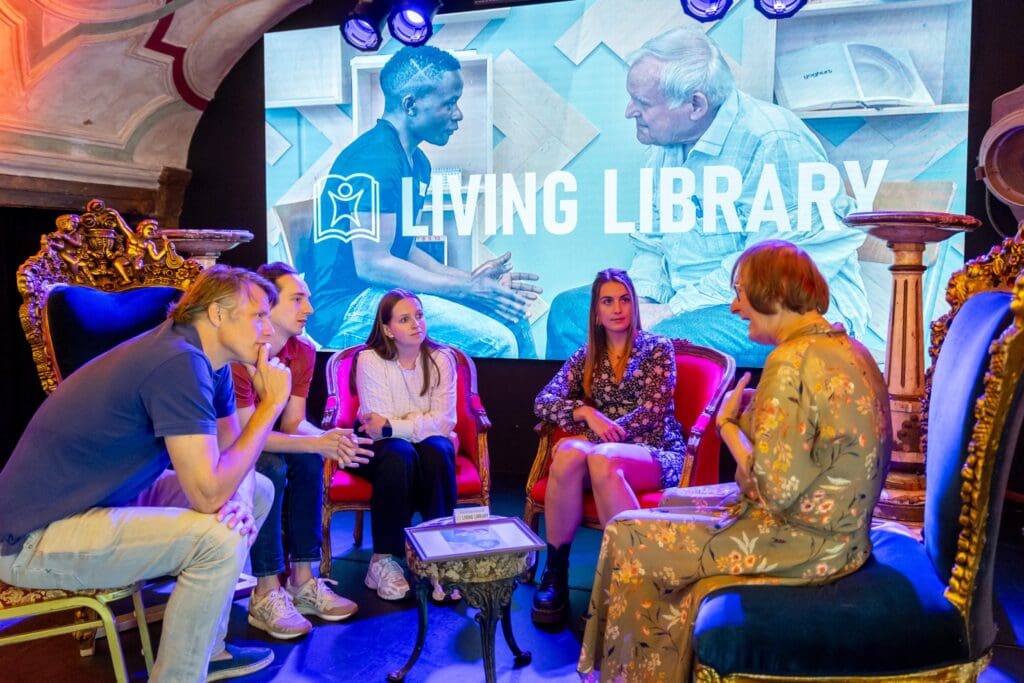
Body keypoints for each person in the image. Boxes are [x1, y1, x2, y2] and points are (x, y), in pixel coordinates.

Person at [578, 241, 892, 682]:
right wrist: (756, 414)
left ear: (771, 293)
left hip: (808, 544)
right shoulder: (847, 347)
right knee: (671, 502)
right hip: (842, 535)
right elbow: (810, 449)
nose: (734, 307)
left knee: (626, 533)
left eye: (741, 293)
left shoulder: (790, 360)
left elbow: (774, 490)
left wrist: (726, 426)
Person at [0, 265, 293, 682]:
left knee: (257, 490)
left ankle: (208, 652)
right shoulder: (178, 361)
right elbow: (208, 494)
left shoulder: (212, 362)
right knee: (218, 539)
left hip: (104, 500)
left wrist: (240, 505)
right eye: (258, 315)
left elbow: (233, 457)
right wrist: (270, 407)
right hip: (33, 536)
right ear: (216, 313)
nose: (268, 329)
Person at [546, 26, 868, 368]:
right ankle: (586, 404)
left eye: (643, 103)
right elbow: (653, 245)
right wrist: (642, 301)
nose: (629, 111)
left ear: (696, 105)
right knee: (571, 313)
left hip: (779, 308)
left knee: (664, 341)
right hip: (692, 299)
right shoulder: (665, 145)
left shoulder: (775, 141)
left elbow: (767, 272)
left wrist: (670, 311)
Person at [306, 44, 541, 358]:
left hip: (384, 294)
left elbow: (403, 249)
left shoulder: (417, 163)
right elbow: (372, 265)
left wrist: (474, 282)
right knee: (496, 342)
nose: (458, 114)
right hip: (346, 308)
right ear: (410, 104)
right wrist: (466, 290)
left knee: (512, 318)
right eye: (449, 103)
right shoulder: (375, 160)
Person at [532, 268, 685, 626]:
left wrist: (596, 435)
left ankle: (632, 581)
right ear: (597, 312)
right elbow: (542, 401)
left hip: (655, 450)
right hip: (604, 452)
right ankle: (556, 572)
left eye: (624, 300)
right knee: (569, 453)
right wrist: (585, 412)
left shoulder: (657, 348)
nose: (617, 308)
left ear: (634, 305)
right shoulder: (587, 355)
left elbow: (651, 415)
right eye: (608, 301)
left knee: (597, 456)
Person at [232, 262, 373, 639]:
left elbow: (294, 423)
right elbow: (248, 437)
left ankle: (302, 581)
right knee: (272, 467)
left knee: (308, 458)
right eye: (297, 299)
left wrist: (330, 439)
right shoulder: (239, 355)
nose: (309, 309)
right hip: (226, 448)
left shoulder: (303, 350)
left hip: (263, 439)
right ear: (266, 305)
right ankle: (265, 591)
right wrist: (317, 442)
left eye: (307, 299)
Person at [351, 288, 460, 602]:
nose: (416, 324)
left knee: (439, 449)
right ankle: (383, 560)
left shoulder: (442, 359)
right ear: (387, 329)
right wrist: (419, 421)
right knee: (400, 453)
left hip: (414, 442)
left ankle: (439, 555)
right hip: (376, 447)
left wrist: (394, 423)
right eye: (405, 319)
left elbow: (445, 421)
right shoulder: (369, 360)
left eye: (419, 316)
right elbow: (376, 427)